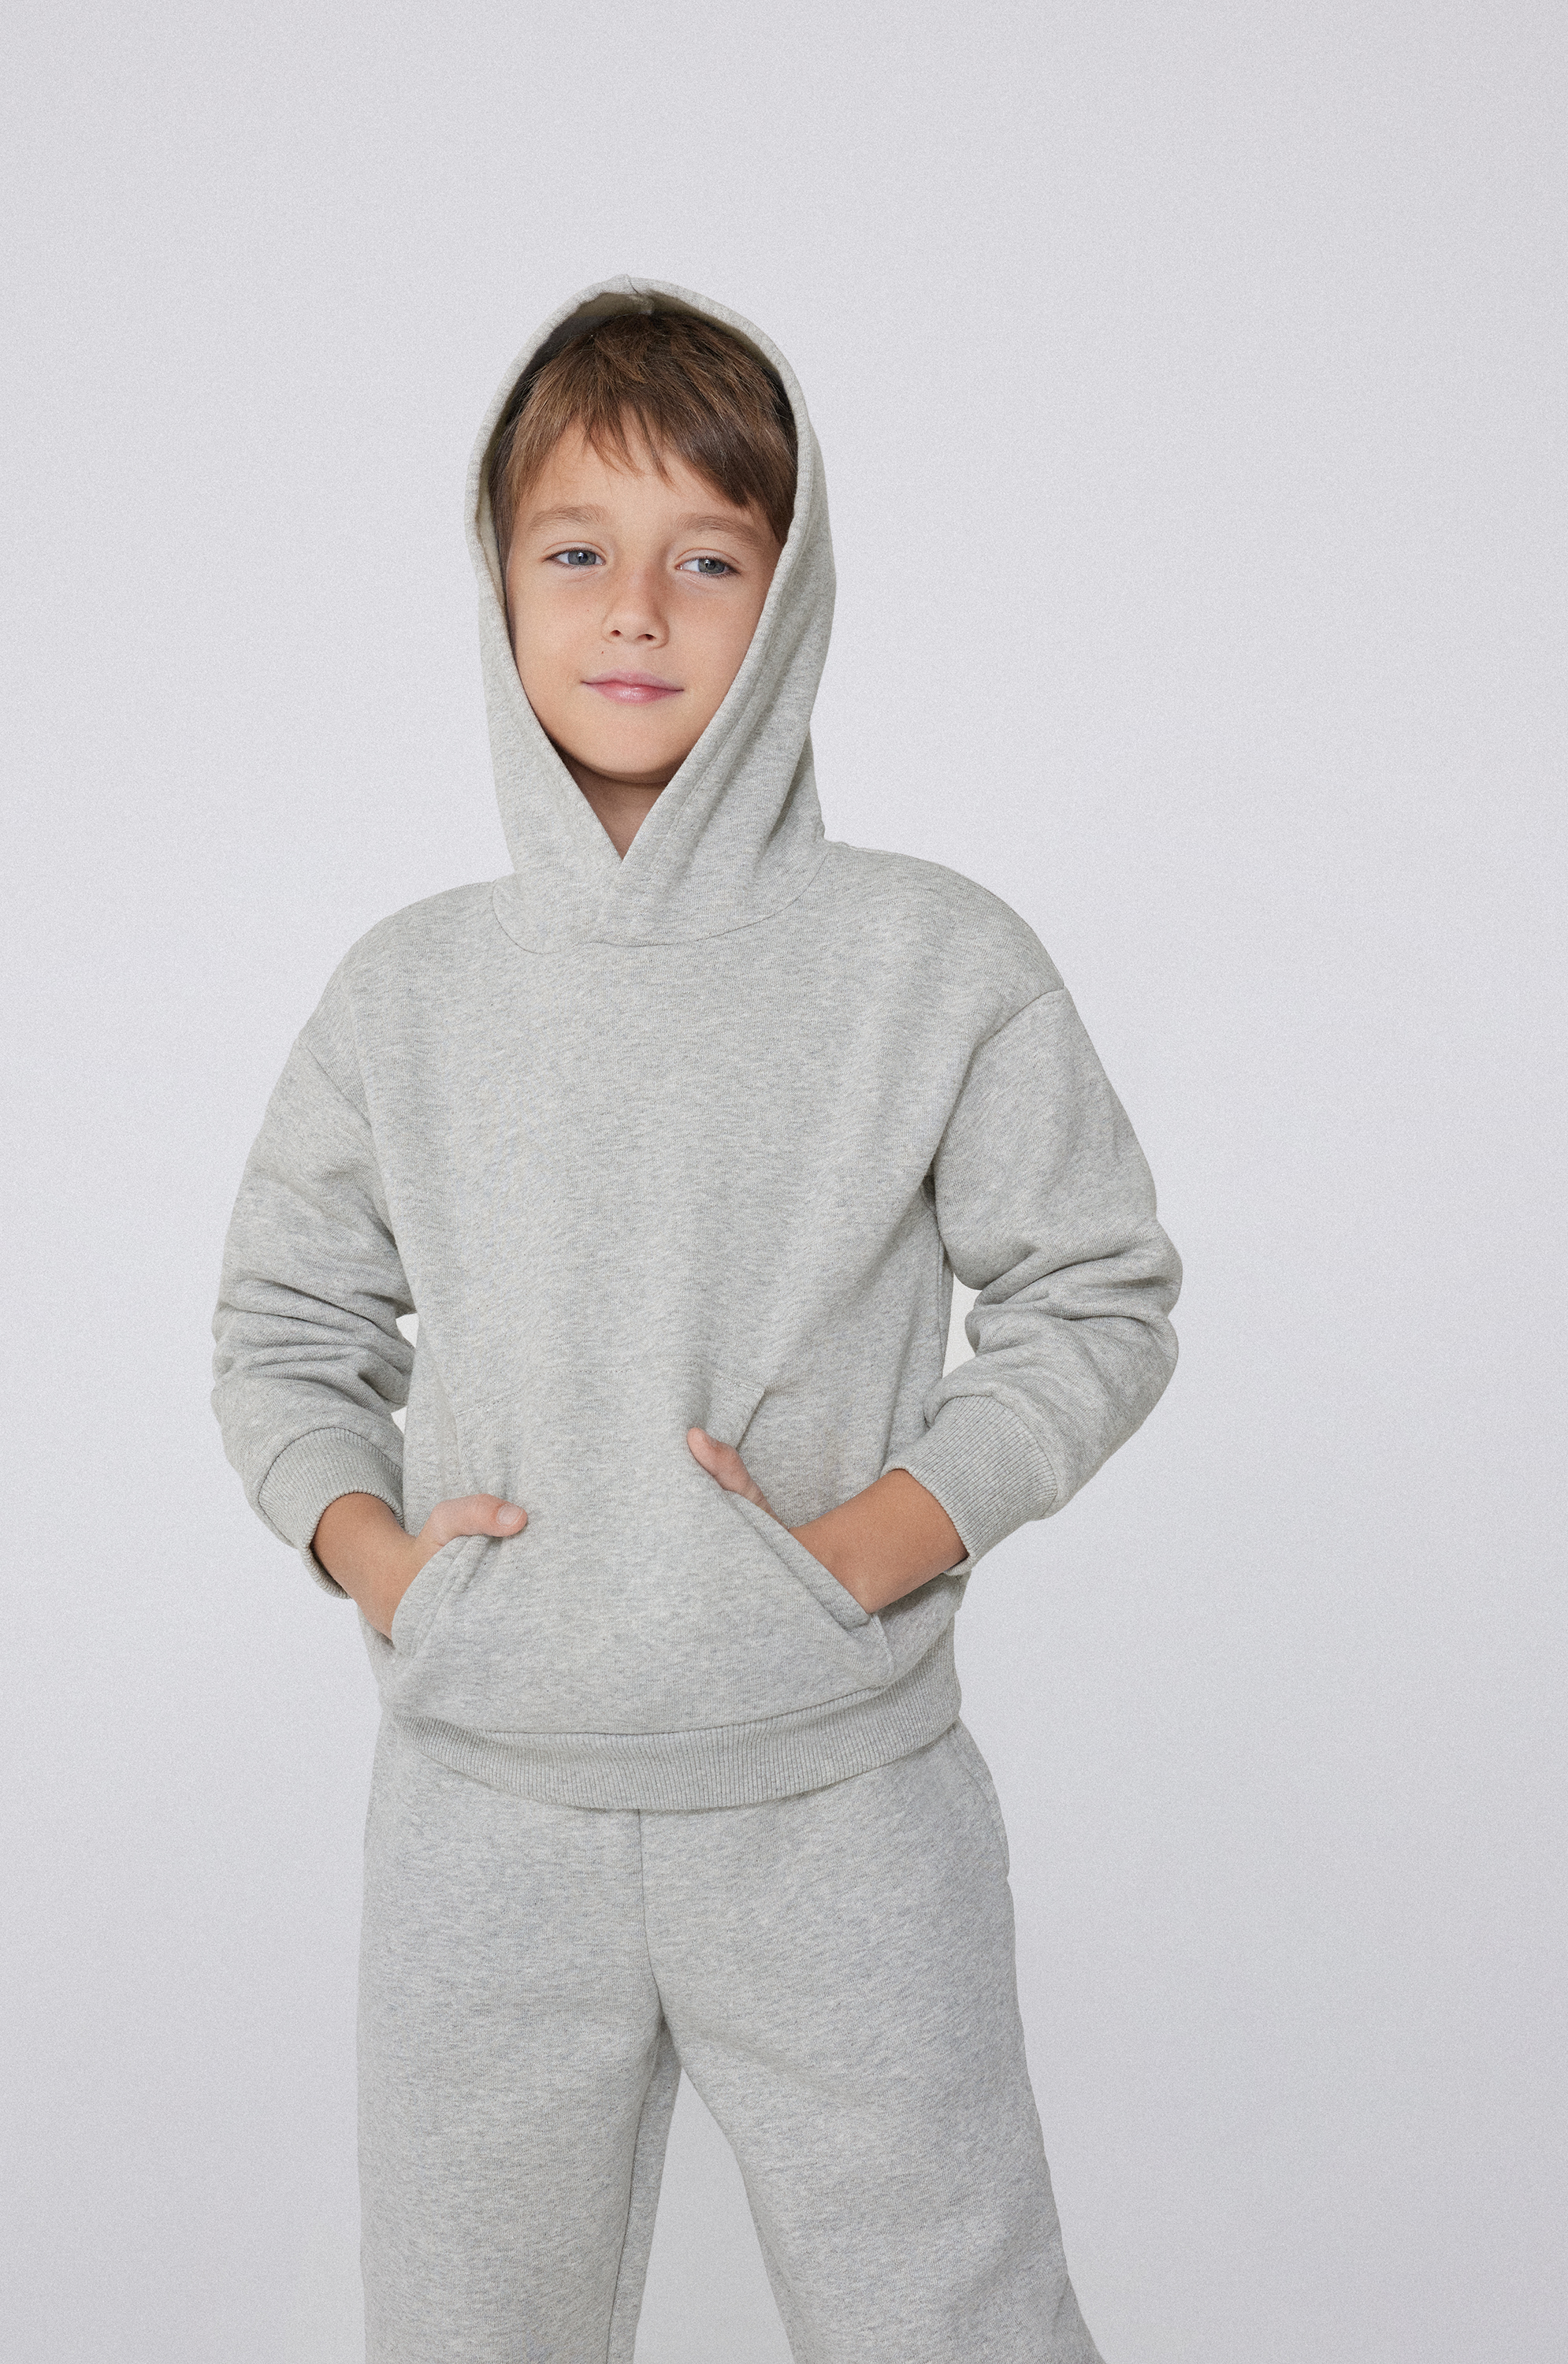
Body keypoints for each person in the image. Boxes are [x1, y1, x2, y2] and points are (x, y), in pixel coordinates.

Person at [212, 276, 1182, 2364]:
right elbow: (284, 1323)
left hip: (841, 1802)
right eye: (577, 552)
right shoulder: (408, 990)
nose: (637, 611)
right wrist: (380, 1562)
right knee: (466, 2332)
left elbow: (1097, 1290)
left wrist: (881, 1541)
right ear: (498, 586)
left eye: (708, 557)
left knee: (955, 2319)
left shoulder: (934, 961)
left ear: (793, 590)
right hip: (484, 1812)